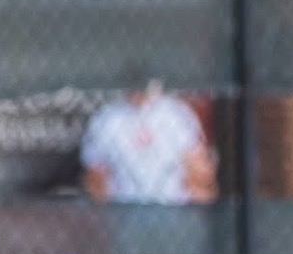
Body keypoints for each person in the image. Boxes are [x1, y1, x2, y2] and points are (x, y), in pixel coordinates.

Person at [80, 79, 217, 204]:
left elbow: (200, 174)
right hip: (125, 214)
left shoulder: (177, 114)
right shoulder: (107, 118)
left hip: (173, 211)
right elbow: (95, 180)